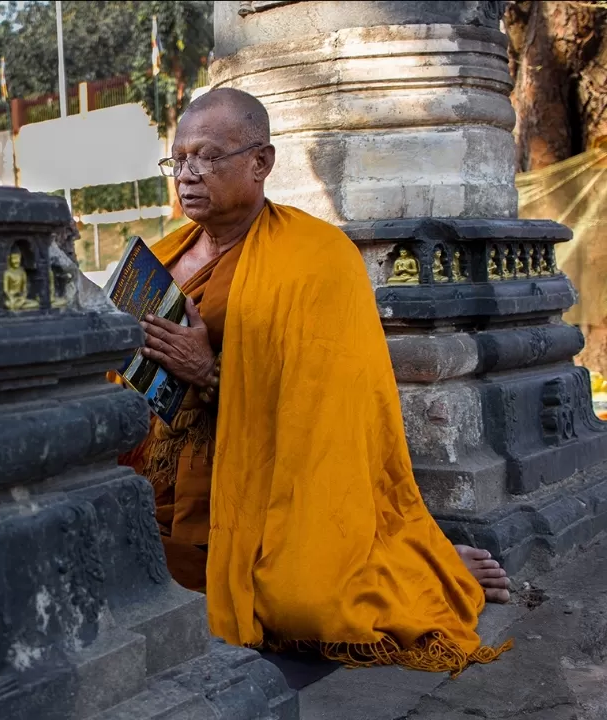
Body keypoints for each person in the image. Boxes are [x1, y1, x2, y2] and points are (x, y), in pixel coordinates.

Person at [120, 87, 511, 675]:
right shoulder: (163, 253)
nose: (188, 174)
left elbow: (326, 413)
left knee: (304, 603)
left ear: (261, 163)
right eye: (178, 159)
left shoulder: (318, 260)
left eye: (207, 156)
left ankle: (424, 563)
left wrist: (209, 371)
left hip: (263, 488)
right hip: (162, 482)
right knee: (120, 565)